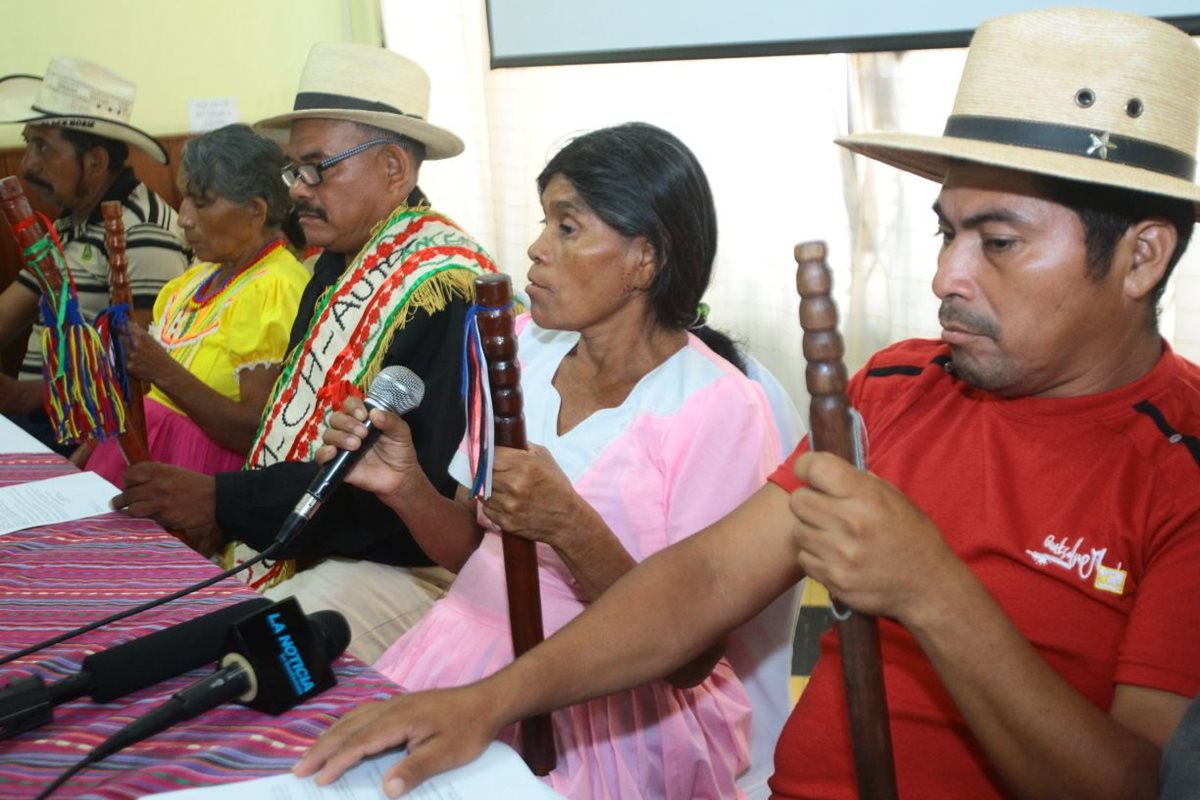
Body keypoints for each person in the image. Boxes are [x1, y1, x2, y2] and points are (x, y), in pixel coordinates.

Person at [295, 9, 1200, 800]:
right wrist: (489, 701)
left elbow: (1134, 783)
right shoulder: (896, 388)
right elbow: (706, 580)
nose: (945, 278)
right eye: (946, 231)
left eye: (998, 241)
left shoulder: (1181, 468)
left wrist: (933, 591)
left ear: (1143, 256)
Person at [315, 122, 785, 798]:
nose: (536, 249)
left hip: (615, 705)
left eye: (568, 228)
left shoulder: (718, 406)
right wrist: (406, 486)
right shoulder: (520, 352)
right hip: (462, 653)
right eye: (543, 222)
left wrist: (568, 523)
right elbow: (481, 554)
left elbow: (690, 656)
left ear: (645, 260)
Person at [111, 43, 499, 663]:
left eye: (318, 168)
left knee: (241, 654)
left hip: (417, 568)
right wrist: (234, 509)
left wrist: (226, 501)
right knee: (158, 623)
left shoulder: (443, 287)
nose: (298, 191)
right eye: (294, 170)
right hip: (320, 535)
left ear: (394, 168)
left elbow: (396, 511)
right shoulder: (338, 261)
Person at [79, 124, 309, 485]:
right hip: (141, 461)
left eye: (201, 203)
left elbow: (257, 432)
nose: (183, 217)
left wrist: (163, 370)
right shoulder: (193, 281)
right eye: (184, 198)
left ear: (255, 211)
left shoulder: (275, 287)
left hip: (197, 484)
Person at [0, 57, 188, 454]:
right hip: (42, 424)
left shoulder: (142, 229)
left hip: (86, 436)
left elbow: (138, 371)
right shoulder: (69, 221)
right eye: (30, 142)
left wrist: (25, 396)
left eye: (43, 147)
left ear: (96, 161)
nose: (28, 163)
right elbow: (8, 313)